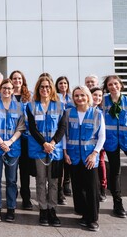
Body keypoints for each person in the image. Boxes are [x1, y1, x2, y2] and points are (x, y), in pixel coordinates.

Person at [64, 86, 105, 232]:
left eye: (82, 95)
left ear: (87, 96)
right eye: (76, 96)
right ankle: (84, 214)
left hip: (89, 157)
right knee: (78, 186)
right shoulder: (68, 113)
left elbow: (102, 136)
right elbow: (64, 134)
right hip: (73, 155)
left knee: (92, 188)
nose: (79, 98)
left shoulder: (96, 113)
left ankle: (93, 219)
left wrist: (95, 153)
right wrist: (65, 152)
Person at [27, 75, 66, 227]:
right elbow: (32, 128)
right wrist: (44, 143)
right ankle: (43, 210)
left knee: (54, 182)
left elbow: (62, 128)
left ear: (52, 89)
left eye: (48, 87)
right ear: (38, 89)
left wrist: (52, 143)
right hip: (39, 149)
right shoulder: (31, 106)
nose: (45, 89)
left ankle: (52, 209)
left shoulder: (60, 105)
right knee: (41, 181)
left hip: (55, 150)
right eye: (42, 87)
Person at [101, 75, 127, 218]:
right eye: (110, 84)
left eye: (116, 84)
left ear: (121, 85)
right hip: (111, 141)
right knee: (115, 171)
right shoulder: (103, 101)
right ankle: (118, 204)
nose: (113, 87)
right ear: (107, 87)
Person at [0, 79, 26, 222]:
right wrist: (1, 142)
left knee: (11, 180)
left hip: (13, 148)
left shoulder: (20, 106)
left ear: (13, 90)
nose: (7, 90)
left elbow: (20, 127)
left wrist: (9, 142)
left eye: (9, 88)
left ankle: (11, 208)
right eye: (4, 88)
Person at [10, 70, 34, 211]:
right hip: (12, 138)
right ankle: (12, 196)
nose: (17, 81)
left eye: (19, 78)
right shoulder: (7, 94)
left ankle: (26, 198)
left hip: (26, 138)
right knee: (11, 170)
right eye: (14, 78)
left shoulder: (30, 96)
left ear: (23, 80)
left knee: (24, 170)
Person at [55, 76, 73, 205]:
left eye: (65, 83)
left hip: (71, 132)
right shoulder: (55, 97)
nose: (63, 85)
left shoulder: (72, 98)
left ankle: (67, 183)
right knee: (60, 163)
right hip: (59, 132)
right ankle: (59, 190)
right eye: (60, 83)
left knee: (68, 162)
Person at [91, 87, 108, 202]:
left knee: (100, 166)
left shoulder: (100, 112)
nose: (97, 98)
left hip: (98, 147)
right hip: (84, 147)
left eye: (100, 96)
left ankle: (102, 189)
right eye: (95, 95)